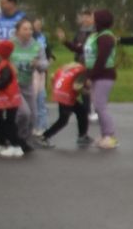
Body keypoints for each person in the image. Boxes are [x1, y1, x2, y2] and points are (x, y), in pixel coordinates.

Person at [82, 9, 120, 149]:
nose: (91, 19)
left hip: (104, 75)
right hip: (98, 74)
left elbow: (101, 59)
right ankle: (105, 135)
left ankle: (110, 135)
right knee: (98, 106)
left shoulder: (105, 37)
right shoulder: (96, 35)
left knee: (100, 106)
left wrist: (90, 76)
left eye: (93, 17)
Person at [9, 18, 47, 150]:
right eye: (25, 29)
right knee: (24, 113)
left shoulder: (37, 46)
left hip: (28, 83)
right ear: (18, 31)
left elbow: (44, 65)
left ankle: (25, 140)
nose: (29, 31)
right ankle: (17, 137)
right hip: (13, 85)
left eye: (30, 29)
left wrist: (38, 64)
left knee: (33, 114)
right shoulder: (11, 44)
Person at [0, 39, 27, 156]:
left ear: (1, 53)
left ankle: (16, 146)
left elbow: (2, 83)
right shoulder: (2, 65)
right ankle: (0, 143)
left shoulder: (6, 67)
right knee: (2, 121)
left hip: (9, 100)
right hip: (4, 99)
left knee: (9, 122)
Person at [42, 57, 91, 148]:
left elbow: (53, 77)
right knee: (63, 120)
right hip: (66, 95)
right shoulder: (82, 71)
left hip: (59, 92)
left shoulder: (68, 67)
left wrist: (57, 89)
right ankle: (44, 136)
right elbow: (77, 87)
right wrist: (89, 91)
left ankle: (82, 135)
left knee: (81, 111)